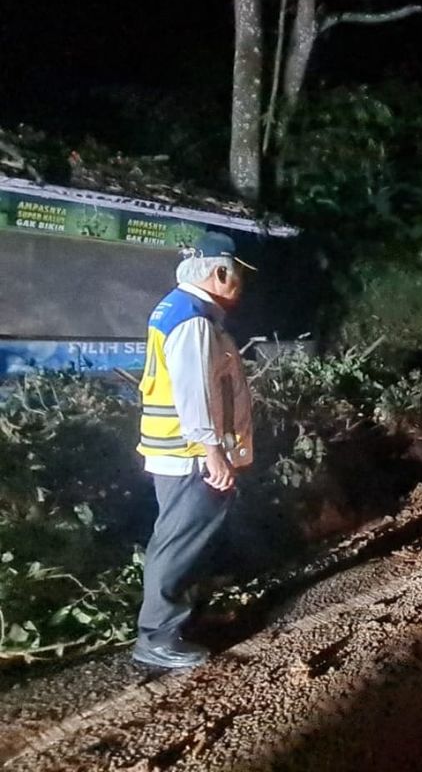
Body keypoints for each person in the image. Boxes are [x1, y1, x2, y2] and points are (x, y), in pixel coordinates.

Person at [132, 231, 256, 669]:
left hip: (180, 450)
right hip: (189, 454)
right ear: (220, 272)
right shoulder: (193, 320)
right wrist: (213, 451)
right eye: (238, 276)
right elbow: (194, 392)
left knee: (186, 537)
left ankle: (179, 624)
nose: (241, 284)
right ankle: (158, 636)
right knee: (179, 541)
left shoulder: (180, 309)